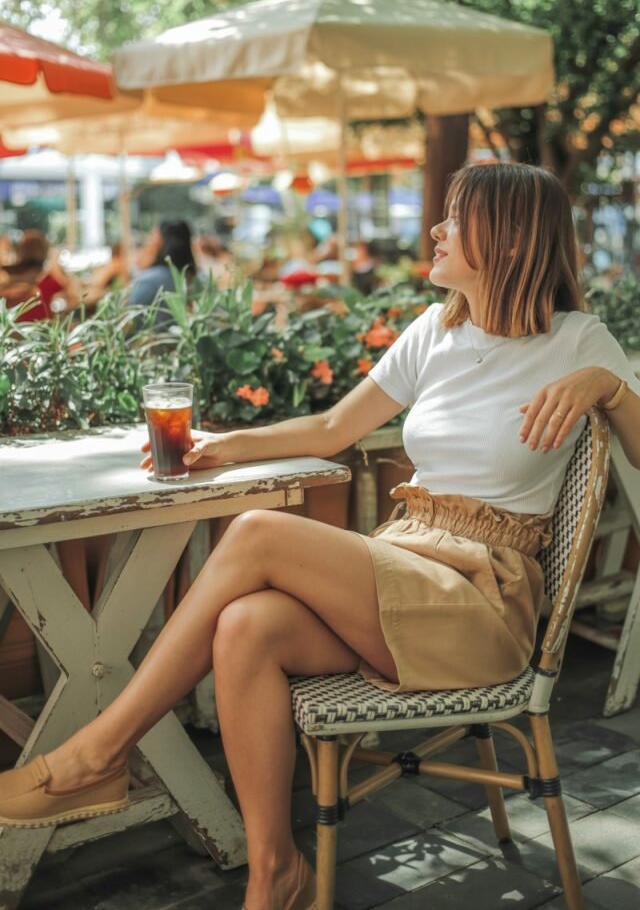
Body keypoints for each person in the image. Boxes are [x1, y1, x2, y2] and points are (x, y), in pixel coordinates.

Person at [1, 163, 639, 910]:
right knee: (245, 627)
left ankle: (98, 752)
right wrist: (222, 444)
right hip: (407, 564)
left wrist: (609, 387)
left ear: (510, 239)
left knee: (257, 535)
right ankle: (277, 875)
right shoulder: (437, 330)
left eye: (456, 218)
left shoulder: (579, 341)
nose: (435, 229)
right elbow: (337, 427)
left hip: (480, 602)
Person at [0, 230, 79, 321]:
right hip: (41, 328)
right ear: (45, 250)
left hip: (13, 329)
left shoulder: (7, 275)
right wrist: (57, 267)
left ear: (20, 250)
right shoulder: (50, 278)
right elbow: (75, 299)